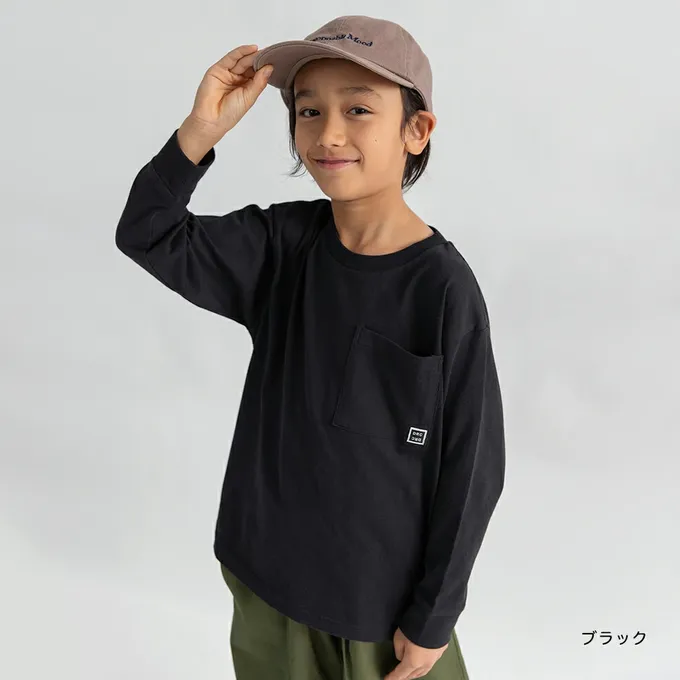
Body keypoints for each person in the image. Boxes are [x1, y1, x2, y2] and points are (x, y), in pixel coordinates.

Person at [115, 14, 505, 680]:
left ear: (416, 130)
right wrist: (200, 132)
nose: (328, 134)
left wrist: (433, 616)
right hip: (265, 581)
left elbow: (472, 468)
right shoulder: (281, 246)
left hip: (378, 609)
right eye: (308, 110)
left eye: (358, 109)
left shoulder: (443, 290)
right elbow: (148, 233)